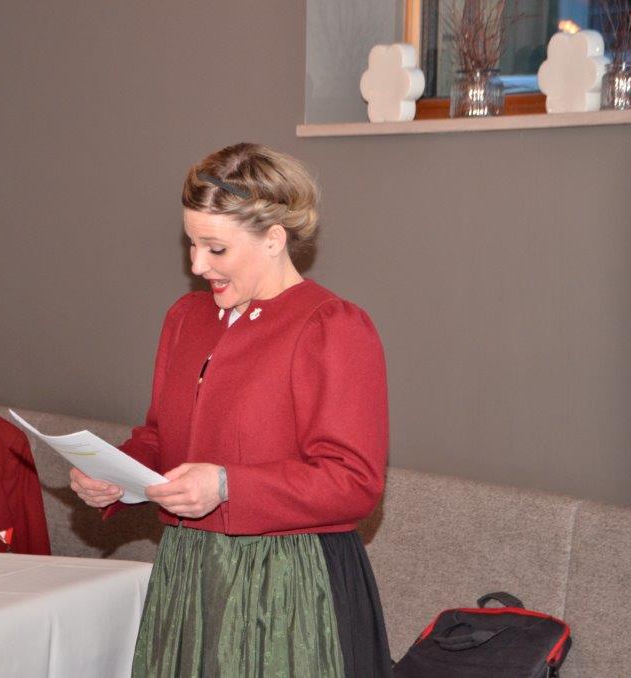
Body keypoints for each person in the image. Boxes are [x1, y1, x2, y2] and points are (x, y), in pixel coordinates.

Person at [70, 143, 393, 677]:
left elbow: (354, 482)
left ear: (274, 239)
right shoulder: (185, 318)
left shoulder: (332, 326)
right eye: (192, 244)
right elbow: (161, 436)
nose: (197, 265)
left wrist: (227, 485)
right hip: (189, 574)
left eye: (216, 249)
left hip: (287, 588)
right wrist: (117, 474)